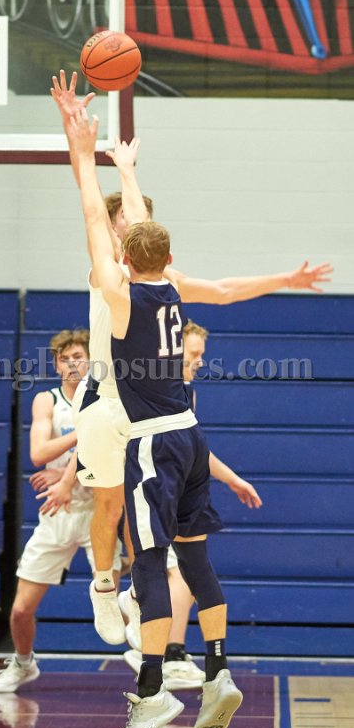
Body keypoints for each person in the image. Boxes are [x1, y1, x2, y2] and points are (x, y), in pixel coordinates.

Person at [50, 70, 333, 650]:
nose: (128, 223)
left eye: (133, 222)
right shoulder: (108, 276)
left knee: (145, 511)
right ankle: (102, 585)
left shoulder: (160, 279)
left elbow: (223, 289)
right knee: (109, 502)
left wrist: (284, 277)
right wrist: (110, 165)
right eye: (124, 220)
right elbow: (95, 214)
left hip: (150, 408)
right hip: (106, 396)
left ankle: (138, 592)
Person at [66, 106, 246, 728]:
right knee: (182, 549)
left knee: (150, 555)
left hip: (150, 429)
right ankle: (214, 667)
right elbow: (131, 226)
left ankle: (155, 682)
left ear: (128, 252)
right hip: (178, 425)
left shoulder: (124, 288)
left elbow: (98, 217)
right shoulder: (162, 286)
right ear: (166, 257)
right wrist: (127, 170)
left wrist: (84, 153)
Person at [121, 320, 263, 688]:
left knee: (183, 567)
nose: (200, 361)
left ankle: (180, 664)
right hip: (136, 482)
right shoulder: (142, 382)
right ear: (171, 349)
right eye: (194, 353)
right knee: (157, 567)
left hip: (177, 484)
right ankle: (154, 648)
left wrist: (232, 478)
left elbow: (196, 449)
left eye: (202, 354)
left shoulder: (186, 392)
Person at [0, 328, 121, 694]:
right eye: (65, 358)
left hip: (97, 509)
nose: (72, 363)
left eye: (79, 356)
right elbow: (38, 454)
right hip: (58, 510)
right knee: (20, 609)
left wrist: (63, 475)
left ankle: (154, 669)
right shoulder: (47, 400)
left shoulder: (107, 397)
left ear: (91, 360)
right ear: (56, 364)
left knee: (115, 603)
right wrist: (84, 432)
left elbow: (95, 452)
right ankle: (23, 662)